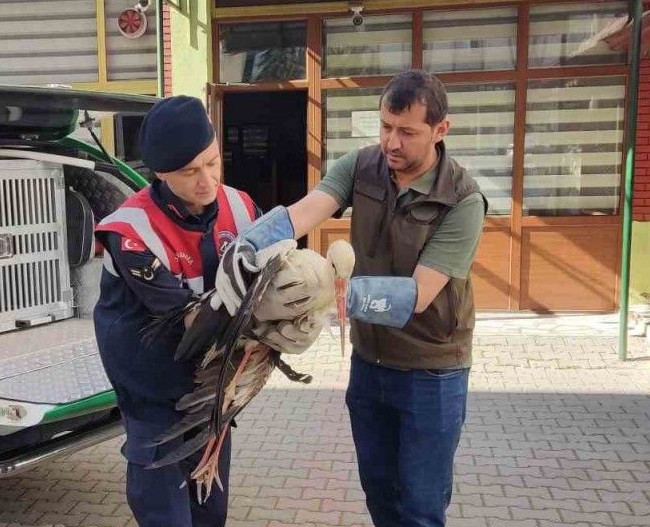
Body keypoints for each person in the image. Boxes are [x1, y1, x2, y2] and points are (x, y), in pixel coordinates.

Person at [214, 69, 486, 527]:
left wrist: (326, 292)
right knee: (379, 492)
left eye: (407, 132)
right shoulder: (361, 166)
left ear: (441, 130)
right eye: (385, 126)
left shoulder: (462, 200)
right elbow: (303, 213)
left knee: (420, 506)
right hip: (370, 365)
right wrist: (244, 246)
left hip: (433, 373)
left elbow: (419, 294)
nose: (392, 142)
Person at [93, 95, 314, 526]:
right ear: (160, 173)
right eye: (189, 172)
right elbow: (192, 323)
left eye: (212, 162)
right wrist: (261, 314)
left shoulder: (241, 208)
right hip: (154, 397)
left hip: (211, 394)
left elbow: (274, 272)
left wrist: (295, 314)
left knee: (211, 514)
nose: (207, 180)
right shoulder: (131, 232)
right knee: (167, 517)